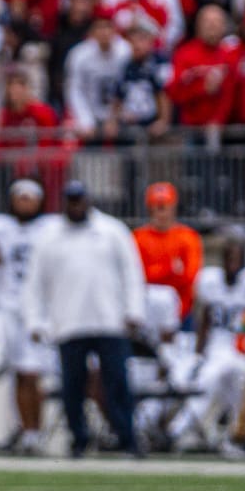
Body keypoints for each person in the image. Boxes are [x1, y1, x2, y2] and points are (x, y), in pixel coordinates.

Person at [26, 181, 146, 456]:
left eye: (79, 199)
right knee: (73, 385)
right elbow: (35, 283)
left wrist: (134, 310)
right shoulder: (49, 236)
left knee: (117, 381)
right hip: (68, 320)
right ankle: (79, 438)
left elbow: (132, 273)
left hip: (110, 319)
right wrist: (35, 320)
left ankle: (126, 436)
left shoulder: (112, 231)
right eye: (71, 200)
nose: (76, 205)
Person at [0, 179, 55, 453]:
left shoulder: (50, 228)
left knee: (32, 372)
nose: (25, 202)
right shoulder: (0, 226)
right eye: (20, 197)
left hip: (38, 310)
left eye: (30, 197)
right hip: (8, 307)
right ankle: (26, 430)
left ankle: (35, 431)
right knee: (18, 372)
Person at [167, 231, 245, 453]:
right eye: (228, 258)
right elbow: (205, 320)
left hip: (240, 349)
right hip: (217, 348)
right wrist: (199, 354)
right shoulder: (211, 281)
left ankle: (239, 434)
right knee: (207, 381)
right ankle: (178, 430)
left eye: (236, 258)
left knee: (244, 383)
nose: (232, 263)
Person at [132, 182, 203, 325]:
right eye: (157, 207)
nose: (161, 213)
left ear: (173, 208)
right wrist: (169, 269)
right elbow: (137, 275)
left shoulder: (188, 237)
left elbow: (190, 276)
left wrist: (156, 272)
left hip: (181, 312)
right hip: (148, 313)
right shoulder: (138, 237)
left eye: (164, 207)